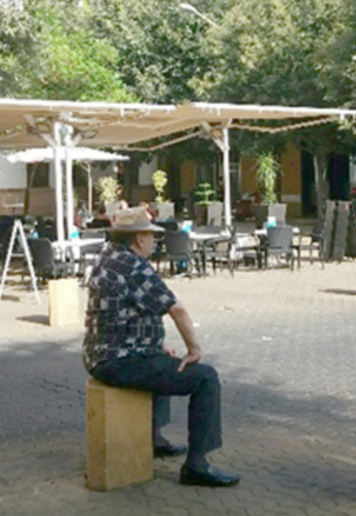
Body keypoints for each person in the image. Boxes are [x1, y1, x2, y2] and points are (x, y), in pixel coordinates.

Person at [83, 206, 240, 487]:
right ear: (139, 238)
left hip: (100, 355)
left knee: (160, 359)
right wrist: (194, 350)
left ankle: (153, 438)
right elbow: (176, 310)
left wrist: (157, 341)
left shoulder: (107, 257)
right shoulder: (134, 266)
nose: (154, 242)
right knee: (205, 378)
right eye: (151, 236)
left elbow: (120, 313)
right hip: (120, 361)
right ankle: (197, 465)